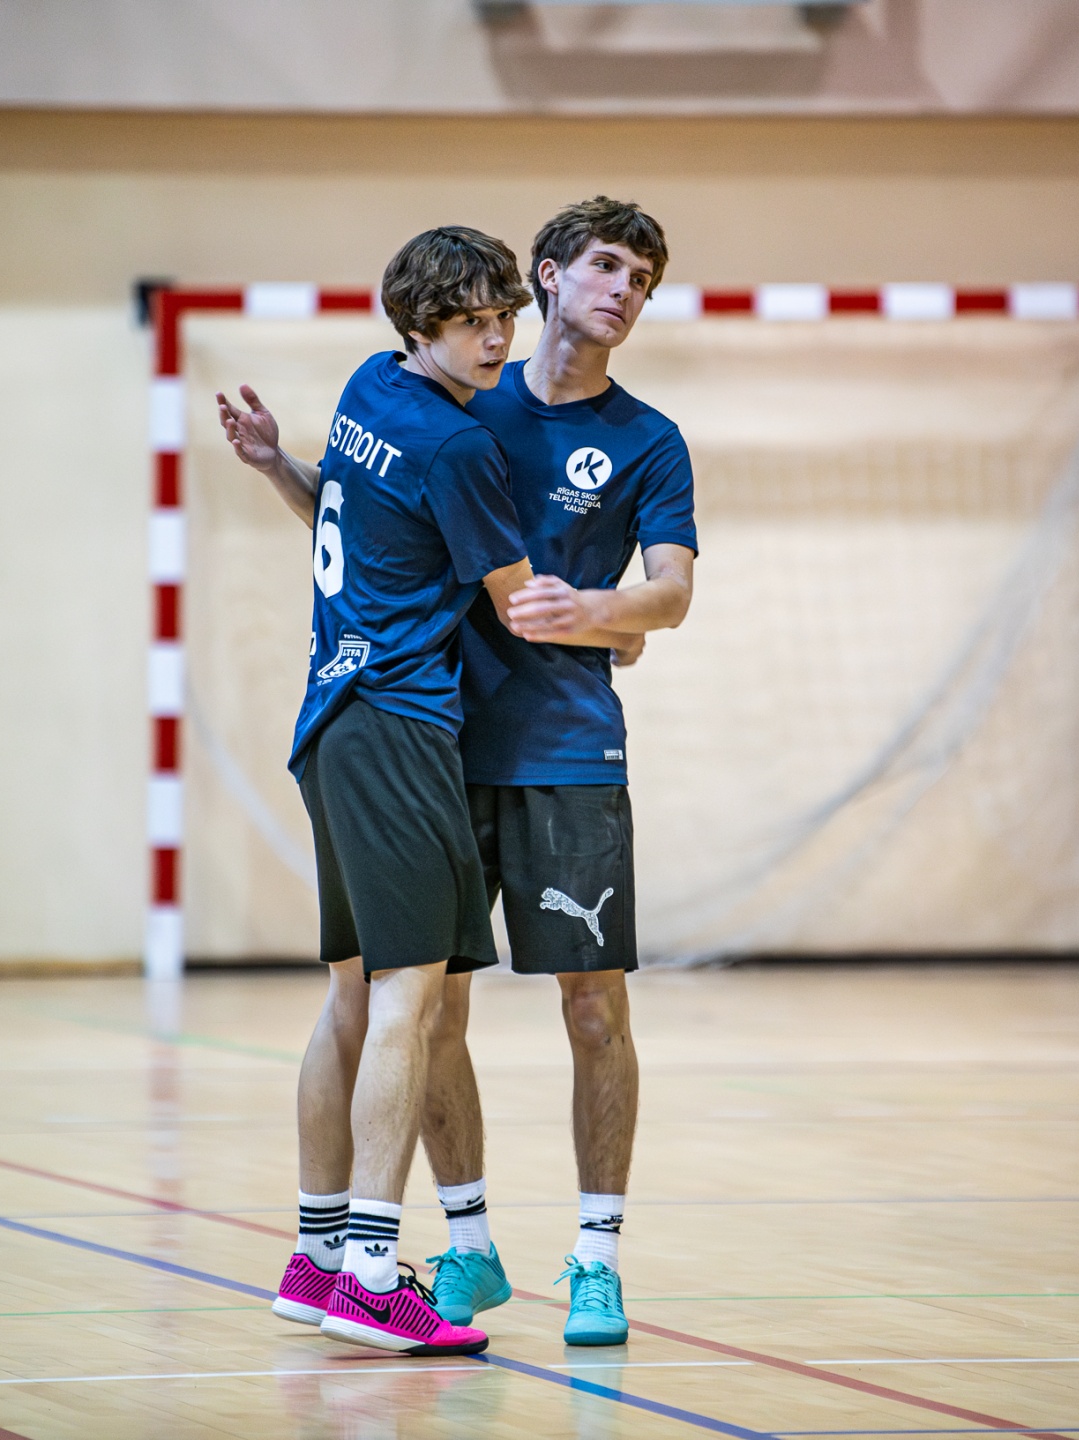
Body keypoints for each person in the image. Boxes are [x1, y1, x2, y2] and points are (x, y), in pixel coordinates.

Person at [220, 225, 605, 1357]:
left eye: (505, 318)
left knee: (353, 997)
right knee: (408, 1000)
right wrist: (620, 623)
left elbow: (350, 522)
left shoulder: (367, 389)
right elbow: (517, 601)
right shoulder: (459, 443)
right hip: (397, 728)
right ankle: (374, 1275)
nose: (496, 340)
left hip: (330, 721)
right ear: (419, 325)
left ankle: (315, 1257)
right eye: (471, 322)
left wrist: (276, 467)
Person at [420, 197, 696, 1348]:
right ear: (545, 276)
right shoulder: (463, 405)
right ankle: (468, 1244)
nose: (624, 290)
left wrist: (601, 611)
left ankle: (597, 1258)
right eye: (607, 266)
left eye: (642, 279)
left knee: (593, 1008)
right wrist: (277, 464)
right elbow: (366, 522)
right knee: (428, 1007)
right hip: (439, 743)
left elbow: (670, 594)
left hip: (571, 754)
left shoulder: (649, 438)